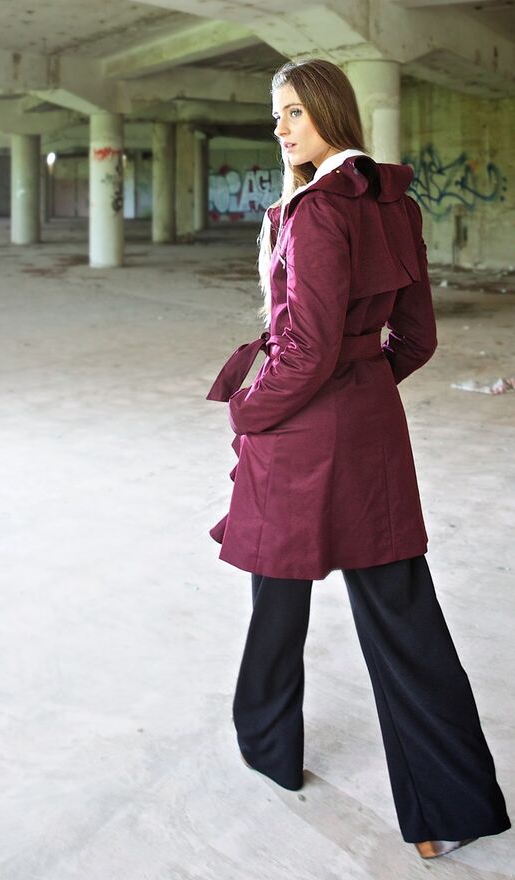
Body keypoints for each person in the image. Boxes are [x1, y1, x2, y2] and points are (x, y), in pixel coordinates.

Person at [205, 58, 511, 860]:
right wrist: (365, 384)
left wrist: (248, 410)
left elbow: (304, 352)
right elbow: (418, 339)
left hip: (300, 431)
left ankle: (268, 745)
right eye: (277, 114)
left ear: (331, 113)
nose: (282, 127)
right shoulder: (393, 202)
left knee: (278, 588)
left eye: (295, 112)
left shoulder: (314, 214)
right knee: (401, 616)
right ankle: (452, 806)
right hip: (370, 428)